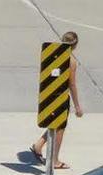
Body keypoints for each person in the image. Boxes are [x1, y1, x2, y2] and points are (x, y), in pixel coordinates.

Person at [31, 30, 81, 167]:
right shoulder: (71, 61)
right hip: (62, 97)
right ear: (75, 45)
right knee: (60, 127)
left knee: (54, 123)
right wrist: (77, 106)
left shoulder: (53, 55)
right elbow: (72, 84)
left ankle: (38, 145)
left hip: (49, 95)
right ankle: (54, 160)